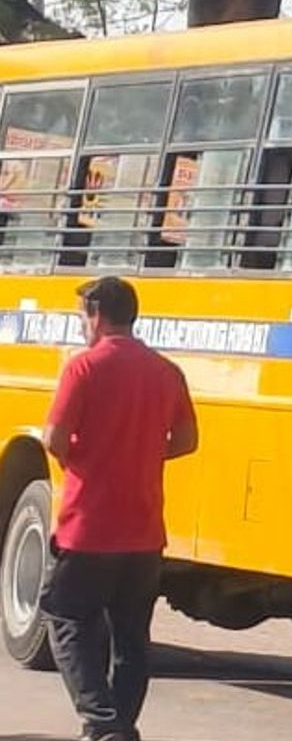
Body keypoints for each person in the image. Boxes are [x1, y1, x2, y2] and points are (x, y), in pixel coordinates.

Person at [40, 277, 199, 741]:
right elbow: (187, 440)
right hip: (145, 531)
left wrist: (83, 458)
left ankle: (104, 723)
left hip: (88, 527)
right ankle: (120, 726)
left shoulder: (83, 368)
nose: (81, 329)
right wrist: (142, 453)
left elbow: (53, 438)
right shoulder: (166, 371)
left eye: (81, 318)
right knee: (131, 637)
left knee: (65, 616)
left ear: (96, 314)